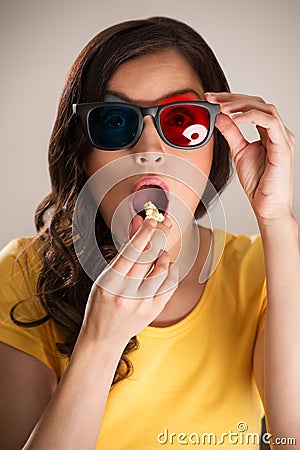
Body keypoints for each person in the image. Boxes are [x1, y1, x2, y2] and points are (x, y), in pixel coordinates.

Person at [0, 16, 299, 450]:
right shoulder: (21, 273)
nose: (149, 151)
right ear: (81, 153)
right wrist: (101, 338)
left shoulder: (264, 270)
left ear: (216, 142)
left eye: (181, 121)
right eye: (115, 122)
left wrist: (277, 220)